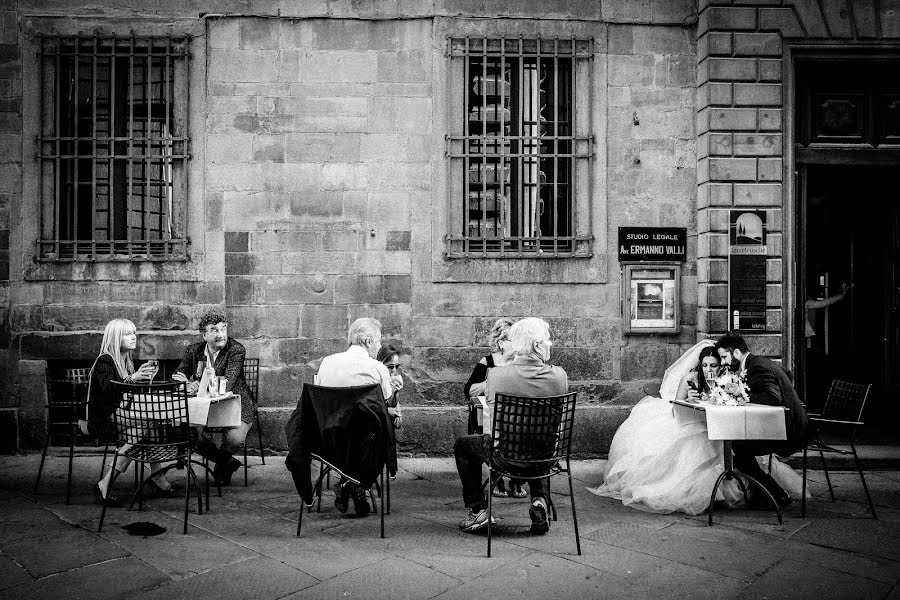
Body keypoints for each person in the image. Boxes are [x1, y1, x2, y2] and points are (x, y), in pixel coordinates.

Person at [588, 341, 804, 515]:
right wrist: (690, 399)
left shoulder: (727, 380)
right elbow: (677, 411)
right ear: (699, 366)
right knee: (700, 445)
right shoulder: (691, 378)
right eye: (705, 365)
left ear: (721, 366)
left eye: (714, 365)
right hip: (692, 424)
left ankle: (760, 490)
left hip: (720, 423)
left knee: (731, 443)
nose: (709, 369)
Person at [454, 317, 567, 534]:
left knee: (462, 445)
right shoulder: (559, 377)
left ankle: (477, 510)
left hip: (506, 456)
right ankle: (539, 501)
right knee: (540, 436)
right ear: (536, 345)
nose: (550, 344)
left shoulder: (497, 376)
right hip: (547, 457)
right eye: (547, 340)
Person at [716, 332, 808, 509]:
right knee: (738, 444)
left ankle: (775, 495)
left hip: (791, 430)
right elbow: (787, 374)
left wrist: (742, 396)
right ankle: (765, 494)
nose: (724, 363)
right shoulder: (757, 362)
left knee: (738, 447)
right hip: (787, 424)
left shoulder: (756, 366)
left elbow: (771, 397)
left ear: (736, 353)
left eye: (724, 357)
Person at [88, 318, 174, 504]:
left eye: (134, 333)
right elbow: (108, 390)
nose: (134, 337)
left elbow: (125, 395)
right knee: (148, 424)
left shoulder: (124, 361)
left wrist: (139, 378)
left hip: (116, 416)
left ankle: (107, 482)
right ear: (116, 337)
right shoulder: (105, 361)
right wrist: (132, 379)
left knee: (144, 429)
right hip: (98, 421)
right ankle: (157, 476)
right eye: (128, 334)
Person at [316, 317, 394, 517]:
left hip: (328, 437)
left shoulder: (327, 362)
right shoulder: (377, 368)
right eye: (378, 341)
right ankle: (353, 485)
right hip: (364, 443)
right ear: (368, 341)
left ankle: (350, 485)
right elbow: (385, 400)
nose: (379, 346)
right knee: (382, 432)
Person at [172, 310, 254, 486]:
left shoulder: (236, 350)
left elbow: (228, 382)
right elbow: (177, 376)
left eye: (223, 329)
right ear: (204, 334)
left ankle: (221, 465)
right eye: (215, 330)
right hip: (204, 407)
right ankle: (226, 462)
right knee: (190, 434)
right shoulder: (193, 351)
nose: (221, 334)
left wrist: (198, 384)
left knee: (235, 439)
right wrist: (186, 385)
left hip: (236, 405)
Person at [462, 318, 525, 498]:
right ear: (502, 342)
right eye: (515, 339)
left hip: (514, 415)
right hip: (489, 412)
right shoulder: (487, 361)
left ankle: (517, 478)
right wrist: (493, 382)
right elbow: (470, 390)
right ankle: (496, 475)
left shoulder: (521, 363)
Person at [376, 345, 404, 429]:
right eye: (390, 367)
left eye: (397, 366)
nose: (394, 371)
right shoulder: (374, 383)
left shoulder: (392, 382)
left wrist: (395, 392)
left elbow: (397, 424)